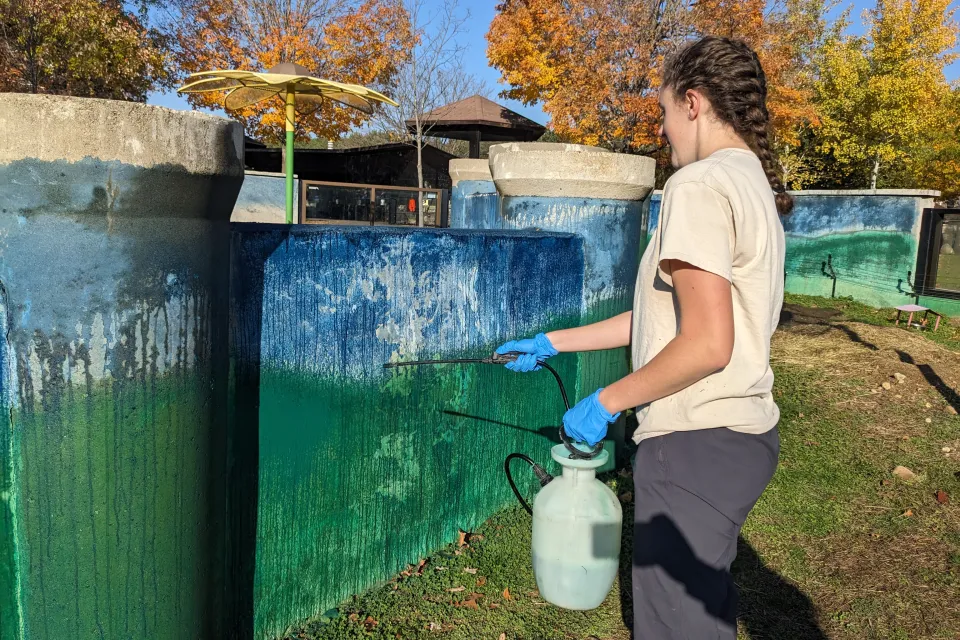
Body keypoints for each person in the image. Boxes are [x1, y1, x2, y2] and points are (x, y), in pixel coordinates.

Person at [496, 36, 789, 639]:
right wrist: (555, 341)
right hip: (739, 438)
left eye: (662, 114)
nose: (663, 133)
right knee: (701, 612)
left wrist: (607, 402)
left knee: (676, 625)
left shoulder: (699, 185)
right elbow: (666, 318)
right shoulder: (750, 181)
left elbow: (708, 343)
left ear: (693, 102)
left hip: (695, 442)